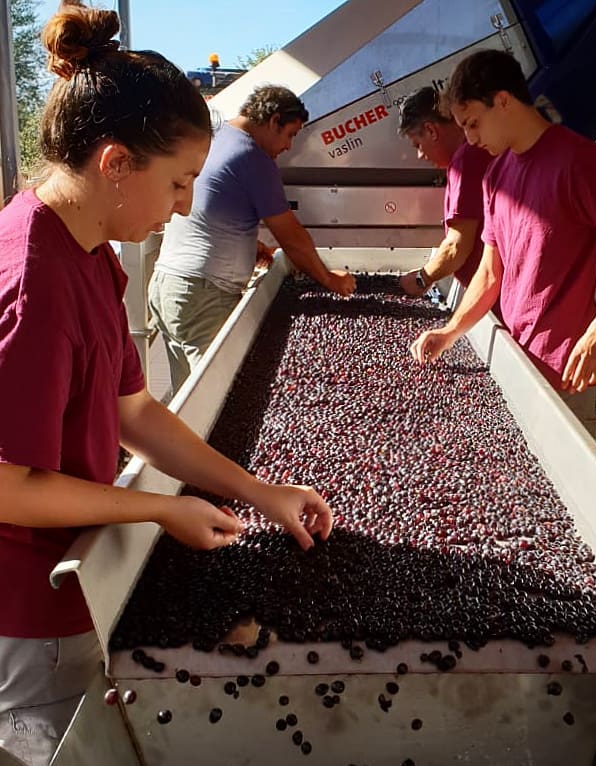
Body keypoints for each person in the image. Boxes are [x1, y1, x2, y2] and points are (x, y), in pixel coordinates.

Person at [0, 4, 332, 765]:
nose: (184, 205)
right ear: (116, 163)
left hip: (76, 581)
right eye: (179, 182)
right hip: (27, 607)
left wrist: (259, 493)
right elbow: (8, 486)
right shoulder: (33, 281)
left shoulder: (89, 252)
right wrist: (158, 508)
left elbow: (137, 412)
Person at [410, 49, 596, 428]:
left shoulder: (580, 162)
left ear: (503, 101)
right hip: (516, 356)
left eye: (474, 123)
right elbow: (490, 274)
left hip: (566, 366)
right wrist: (450, 331)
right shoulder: (495, 176)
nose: (471, 140)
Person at [149, 85, 357, 394]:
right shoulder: (253, 157)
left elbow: (209, 209)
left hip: (169, 286)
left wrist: (247, 248)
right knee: (214, 396)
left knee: (187, 399)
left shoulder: (215, 137)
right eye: (289, 135)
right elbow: (291, 236)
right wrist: (329, 279)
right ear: (273, 121)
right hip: (203, 296)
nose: (288, 146)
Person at [397, 86, 493, 297]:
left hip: (496, 295)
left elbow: (457, 246)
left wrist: (422, 279)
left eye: (418, 145)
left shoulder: (466, 161)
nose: (420, 155)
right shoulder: (471, 155)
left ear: (431, 130)